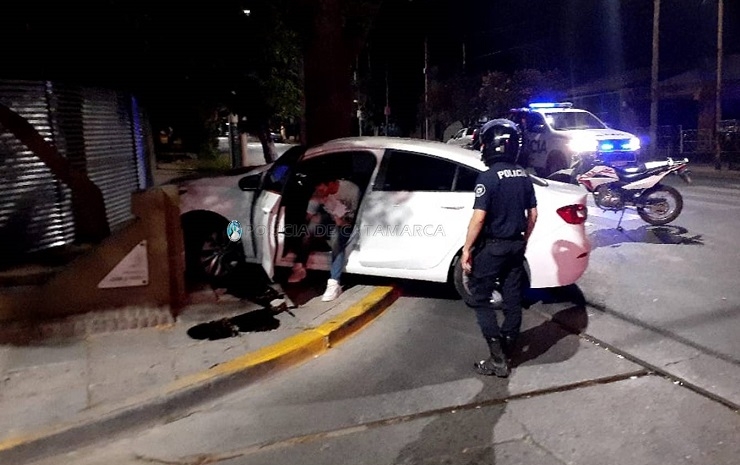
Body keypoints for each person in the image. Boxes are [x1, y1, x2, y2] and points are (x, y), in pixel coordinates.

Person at [461, 118, 538, 378]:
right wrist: (523, 240)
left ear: (490, 145)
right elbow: (533, 215)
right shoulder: (523, 176)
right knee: (512, 299)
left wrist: (467, 249)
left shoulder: (488, 177)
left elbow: (478, 218)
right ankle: (508, 347)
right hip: (516, 246)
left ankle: (497, 359)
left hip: (493, 248)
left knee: (480, 298)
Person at [287, 178, 361, 302]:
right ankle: (300, 266)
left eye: (322, 189)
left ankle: (334, 282)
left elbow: (354, 218)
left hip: (347, 222)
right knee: (312, 225)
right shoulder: (320, 193)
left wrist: (340, 220)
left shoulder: (351, 190)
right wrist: (314, 204)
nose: (320, 192)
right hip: (331, 220)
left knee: (336, 238)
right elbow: (309, 216)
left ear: (331, 183)